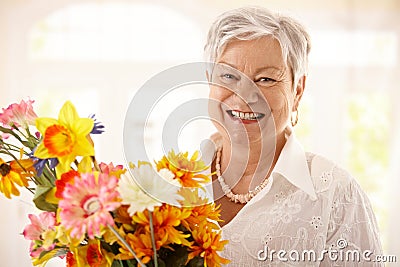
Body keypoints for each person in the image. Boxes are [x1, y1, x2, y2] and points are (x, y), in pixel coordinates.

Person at [203, 6, 383, 266]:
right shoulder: (166, 184)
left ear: (297, 90)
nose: (243, 95)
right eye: (229, 76)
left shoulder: (334, 193)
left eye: (265, 79)